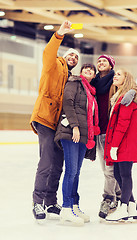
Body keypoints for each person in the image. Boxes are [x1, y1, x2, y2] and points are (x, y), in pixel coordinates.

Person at [30, 20, 80, 221]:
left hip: (59, 124)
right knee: (47, 161)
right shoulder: (54, 65)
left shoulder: (71, 78)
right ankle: (38, 202)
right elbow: (48, 53)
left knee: (58, 163)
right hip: (44, 118)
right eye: (71, 54)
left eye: (76, 57)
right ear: (64, 56)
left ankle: (51, 201)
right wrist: (59, 34)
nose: (74, 58)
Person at [54, 64, 100, 226]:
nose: (89, 70)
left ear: (94, 75)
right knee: (71, 171)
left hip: (83, 135)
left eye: (91, 70)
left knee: (76, 172)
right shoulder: (74, 83)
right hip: (71, 132)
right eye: (86, 69)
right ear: (81, 72)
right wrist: (74, 126)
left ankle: (74, 205)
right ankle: (66, 209)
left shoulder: (91, 92)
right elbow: (68, 103)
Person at [90, 55, 136, 219]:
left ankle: (109, 199)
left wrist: (133, 91)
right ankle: (125, 200)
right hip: (98, 131)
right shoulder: (93, 83)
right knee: (107, 170)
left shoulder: (116, 81)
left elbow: (132, 86)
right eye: (99, 61)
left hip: (111, 132)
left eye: (105, 61)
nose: (101, 63)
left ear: (111, 66)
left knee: (111, 171)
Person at [104, 68, 137, 222]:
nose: (115, 76)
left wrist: (114, 146)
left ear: (126, 79)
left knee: (124, 174)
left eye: (119, 74)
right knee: (118, 174)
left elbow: (122, 123)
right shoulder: (119, 97)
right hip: (122, 141)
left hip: (125, 142)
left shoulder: (126, 99)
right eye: (115, 74)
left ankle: (123, 207)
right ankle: (132, 206)